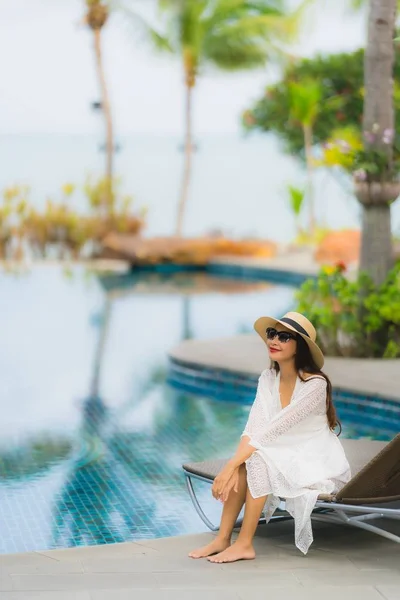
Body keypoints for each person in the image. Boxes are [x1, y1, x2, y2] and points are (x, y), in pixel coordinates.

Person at [189, 311, 351, 563]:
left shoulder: (315, 385)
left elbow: (272, 430)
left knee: (256, 459)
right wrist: (234, 464)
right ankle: (223, 538)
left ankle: (244, 543)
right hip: (280, 448)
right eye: (271, 334)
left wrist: (229, 466)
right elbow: (253, 428)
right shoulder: (268, 378)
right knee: (248, 459)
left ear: (300, 347)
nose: (274, 341)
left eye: (284, 337)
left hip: (314, 455)